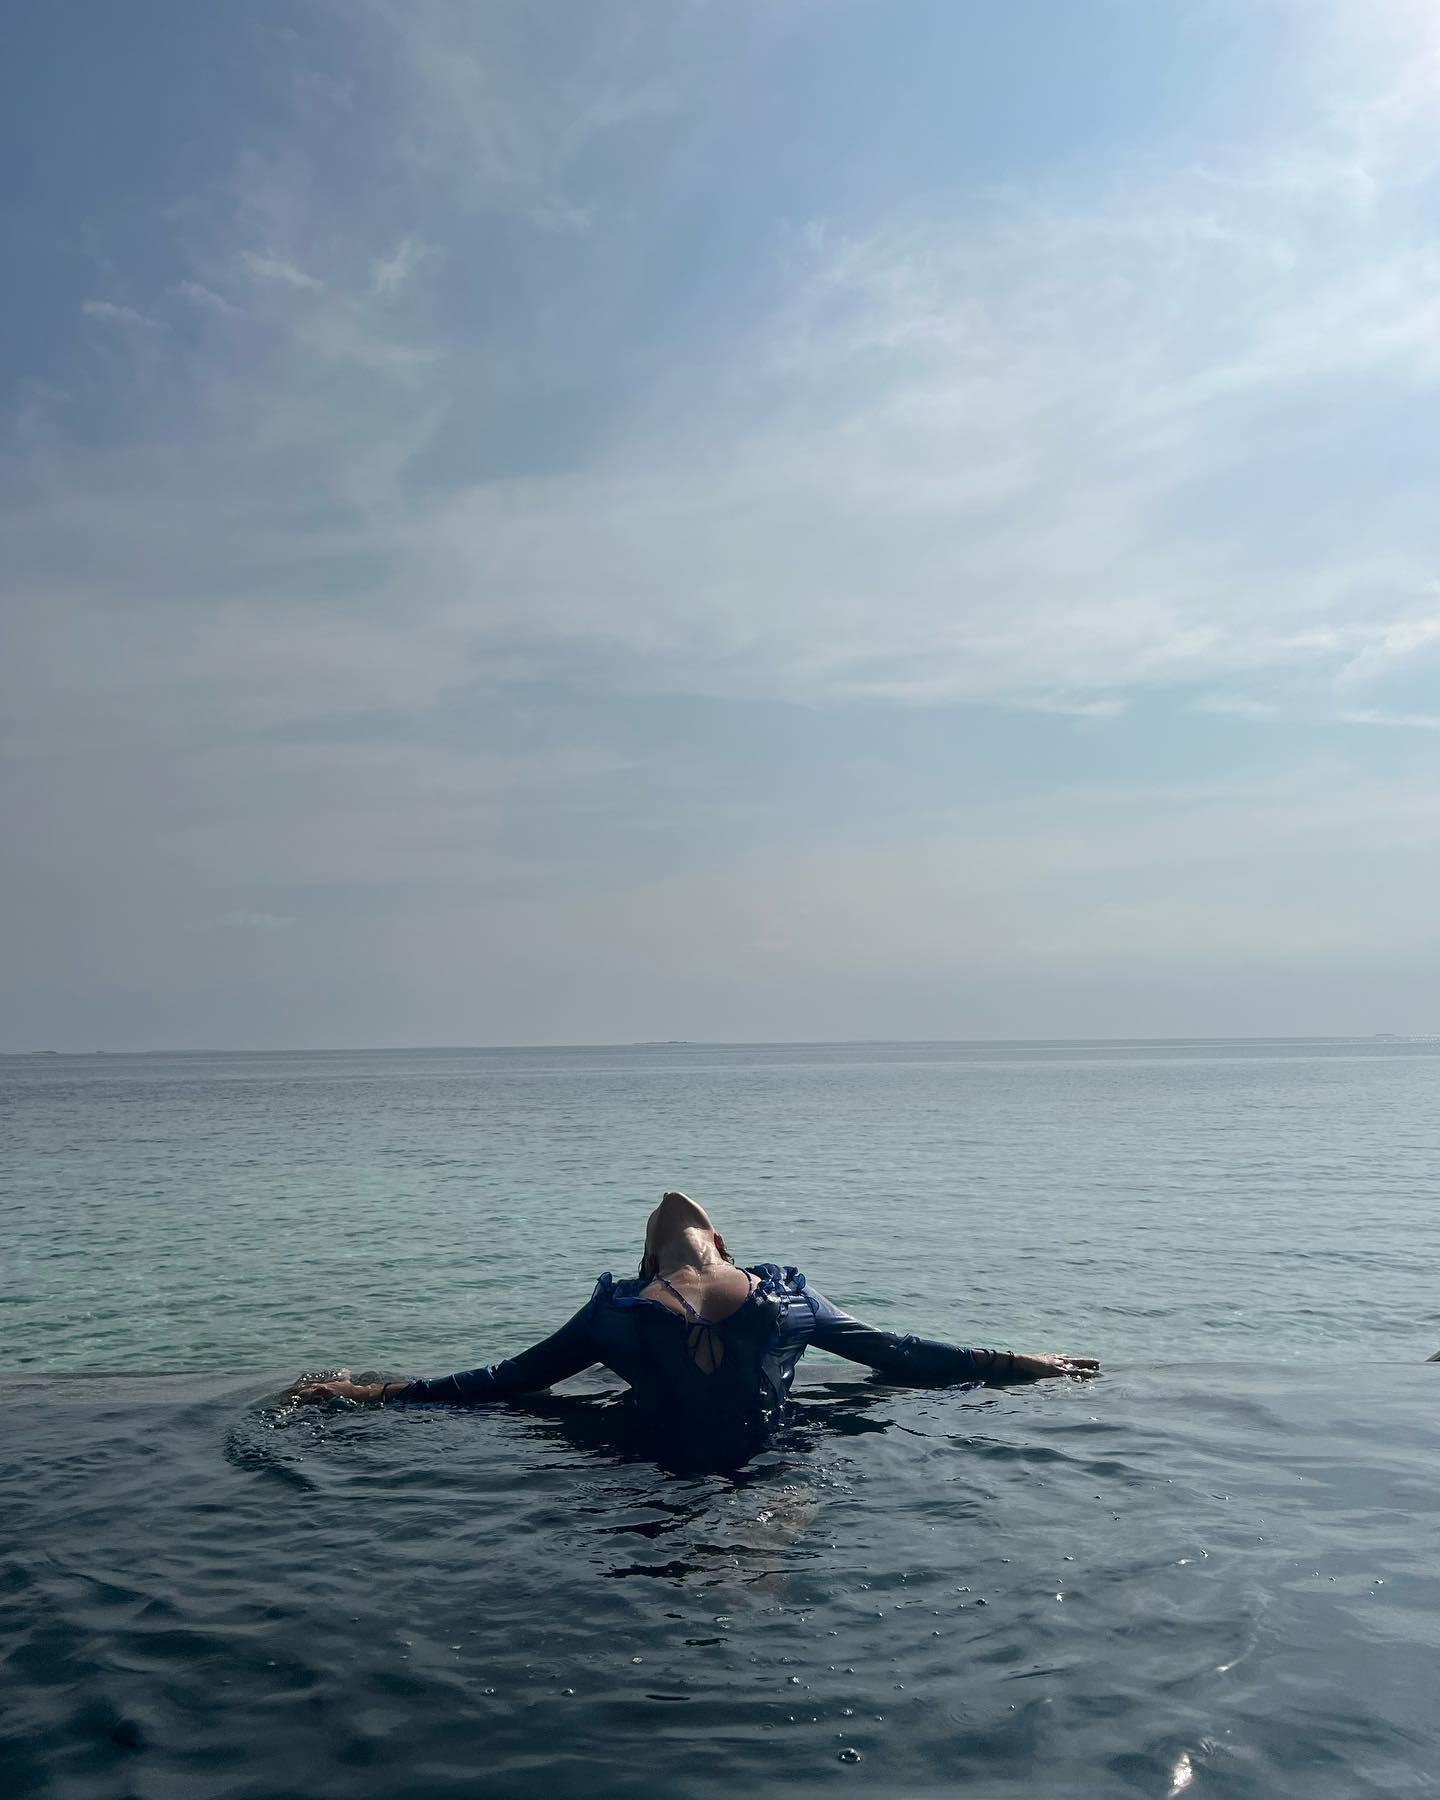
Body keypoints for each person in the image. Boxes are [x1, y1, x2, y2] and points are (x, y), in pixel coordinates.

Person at [293, 1191, 1099, 1470]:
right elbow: (506, 1381)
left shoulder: (786, 1298)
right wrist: (373, 1392)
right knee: (744, 1550)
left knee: (747, 1557)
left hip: (698, 1461)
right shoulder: (613, 1312)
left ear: (719, 1244)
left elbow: (897, 1352)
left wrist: (1019, 1362)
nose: (675, 1200)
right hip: (697, 1458)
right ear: (652, 1251)